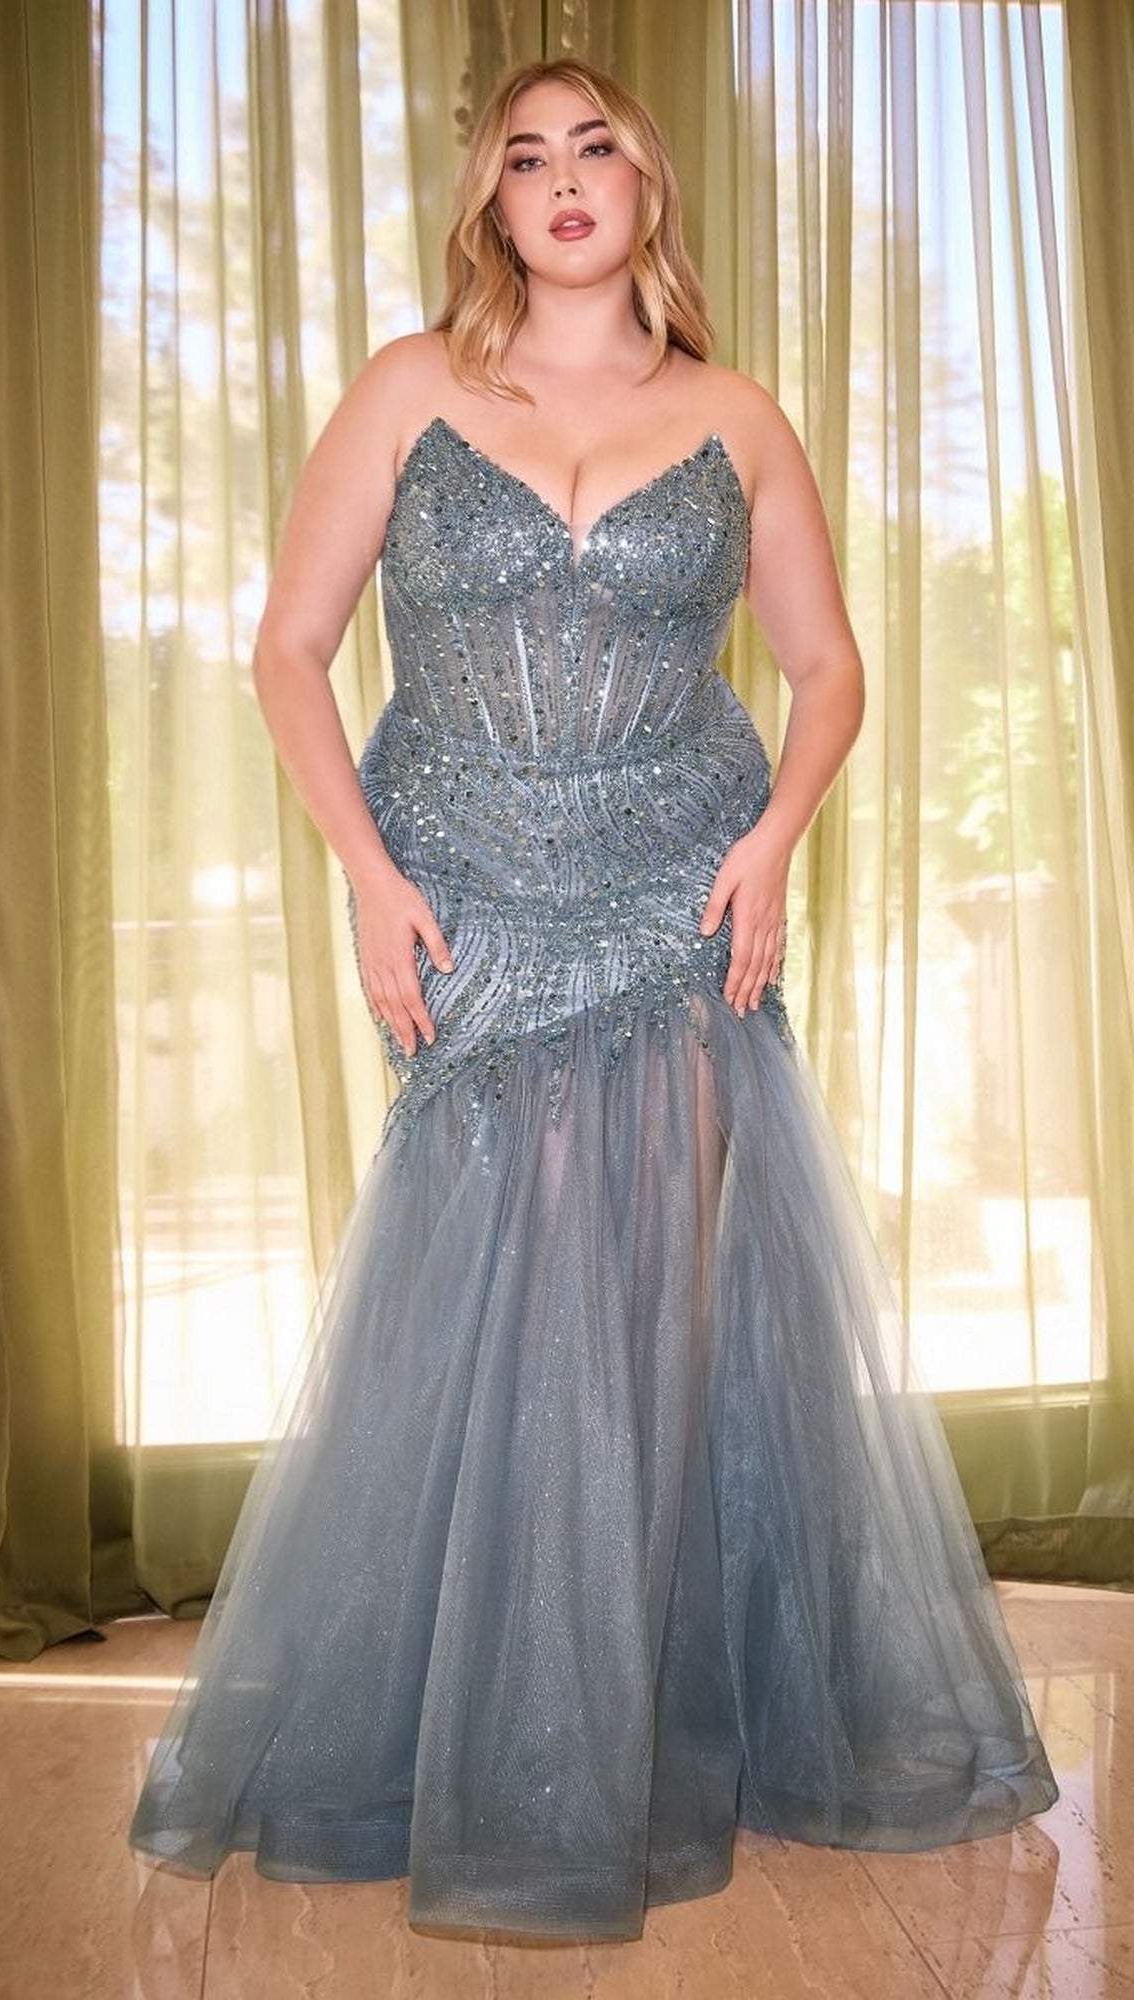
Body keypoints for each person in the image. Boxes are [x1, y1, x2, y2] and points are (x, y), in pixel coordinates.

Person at [128, 57, 1058, 1942]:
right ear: (494, 201)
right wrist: (372, 881)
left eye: (597, 149)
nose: (564, 180)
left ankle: (634, 1743)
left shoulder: (734, 413)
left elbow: (827, 668)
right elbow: (292, 651)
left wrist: (776, 843)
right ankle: (484, 1745)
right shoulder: (410, 387)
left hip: (681, 887)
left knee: (654, 1304)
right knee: (495, 1290)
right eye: (527, 157)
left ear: (646, 187)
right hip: (462, 885)